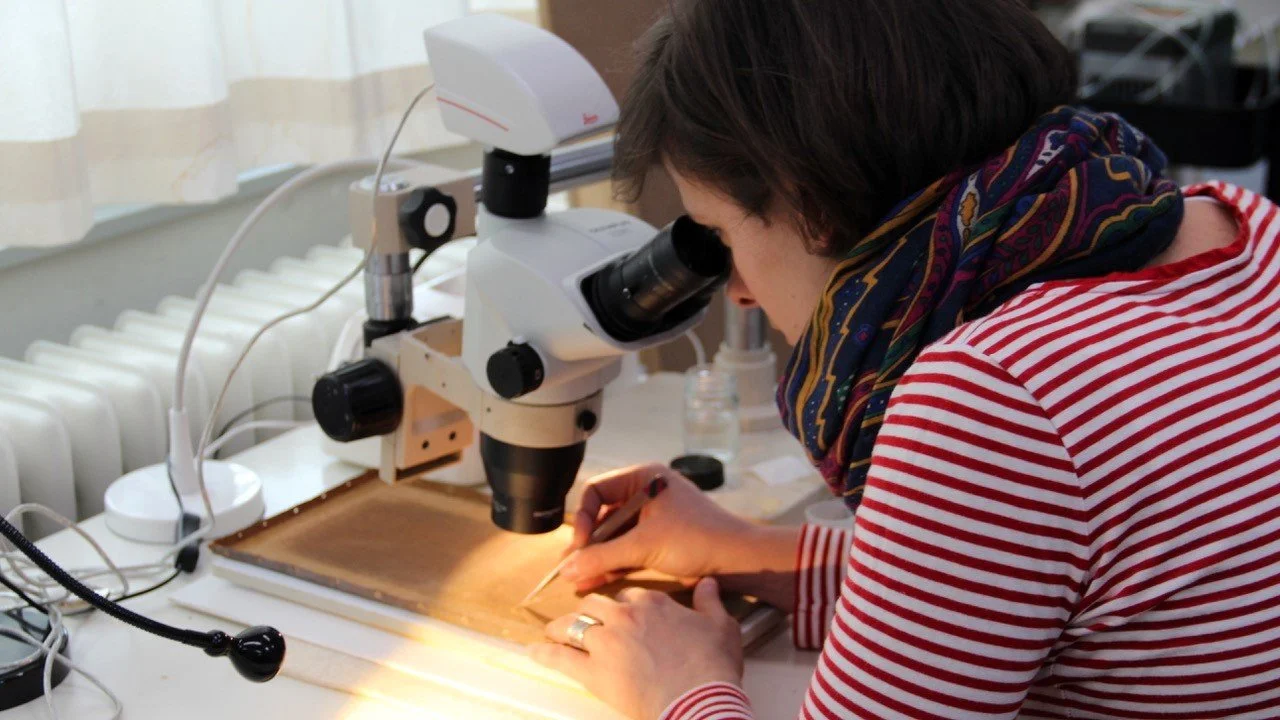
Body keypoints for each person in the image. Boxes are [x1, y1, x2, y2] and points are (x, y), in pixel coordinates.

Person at [527, 1, 1280, 718]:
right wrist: (746, 551)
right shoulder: (1242, 226)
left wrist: (681, 686)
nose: (742, 292)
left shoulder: (993, 392)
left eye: (722, 239)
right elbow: (1011, 589)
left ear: (806, 202)